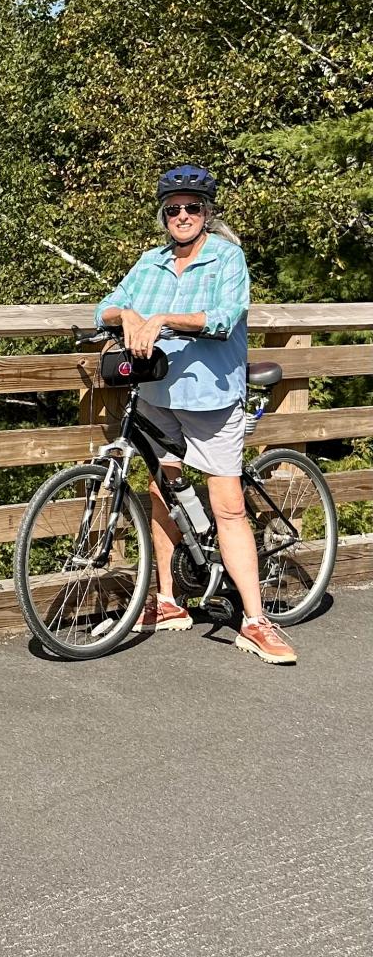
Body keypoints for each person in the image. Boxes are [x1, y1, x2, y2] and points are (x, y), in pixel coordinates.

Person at [95, 164, 295, 665]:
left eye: (192, 208)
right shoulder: (151, 262)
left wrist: (161, 317)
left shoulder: (227, 258)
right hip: (158, 395)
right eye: (173, 209)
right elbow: (106, 307)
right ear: (163, 215)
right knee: (163, 491)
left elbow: (226, 318)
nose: (181, 215)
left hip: (211, 397)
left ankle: (254, 620)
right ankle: (167, 600)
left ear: (206, 213)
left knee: (226, 505)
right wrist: (132, 315)